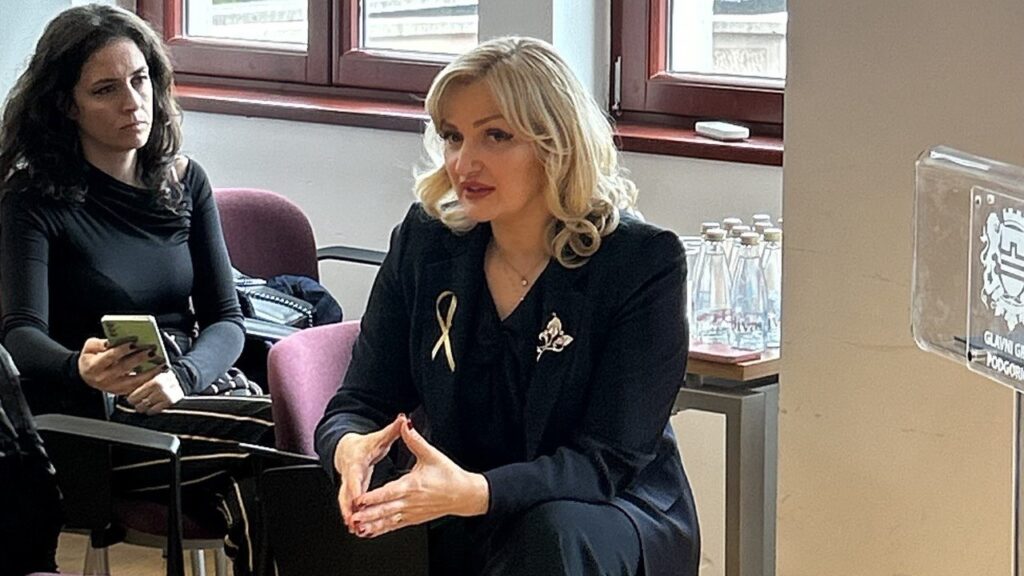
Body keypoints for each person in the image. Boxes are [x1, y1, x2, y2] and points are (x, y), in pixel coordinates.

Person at [315, 36, 699, 576]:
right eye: (453, 136)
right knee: (339, 509)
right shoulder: (425, 241)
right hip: (454, 496)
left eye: (495, 136)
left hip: (602, 507)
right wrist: (348, 447)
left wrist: (476, 492)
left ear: (556, 144)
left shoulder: (640, 262)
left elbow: (606, 460)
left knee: (549, 532)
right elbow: (359, 400)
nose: (463, 162)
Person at [0, 5, 272, 574]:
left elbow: (226, 317)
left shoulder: (185, 179)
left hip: (190, 391)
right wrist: (79, 366)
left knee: (260, 483)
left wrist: (185, 377)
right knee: (284, 432)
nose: (133, 102)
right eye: (106, 90)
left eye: (140, 79)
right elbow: (19, 334)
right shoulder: (32, 198)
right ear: (67, 105)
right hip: (97, 421)